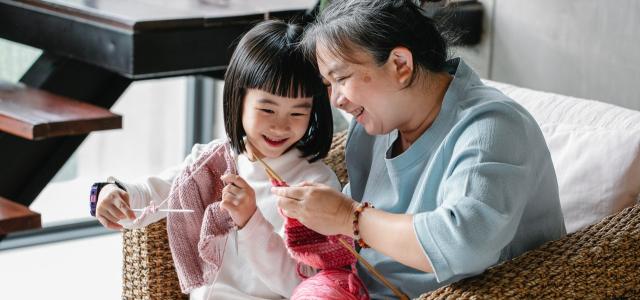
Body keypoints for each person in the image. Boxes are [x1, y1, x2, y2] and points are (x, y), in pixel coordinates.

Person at [272, 0, 567, 298]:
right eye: (328, 84)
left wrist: (347, 216)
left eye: (341, 79)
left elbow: (464, 245)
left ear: (400, 64)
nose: (336, 99)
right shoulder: (373, 128)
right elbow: (366, 217)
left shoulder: (494, 127)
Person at [91, 20, 340, 299]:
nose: (281, 126)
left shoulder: (315, 186)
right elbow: (156, 194)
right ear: (239, 98)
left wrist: (250, 220)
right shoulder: (212, 162)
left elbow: (302, 284)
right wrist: (111, 194)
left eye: (297, 113)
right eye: (267, 109)